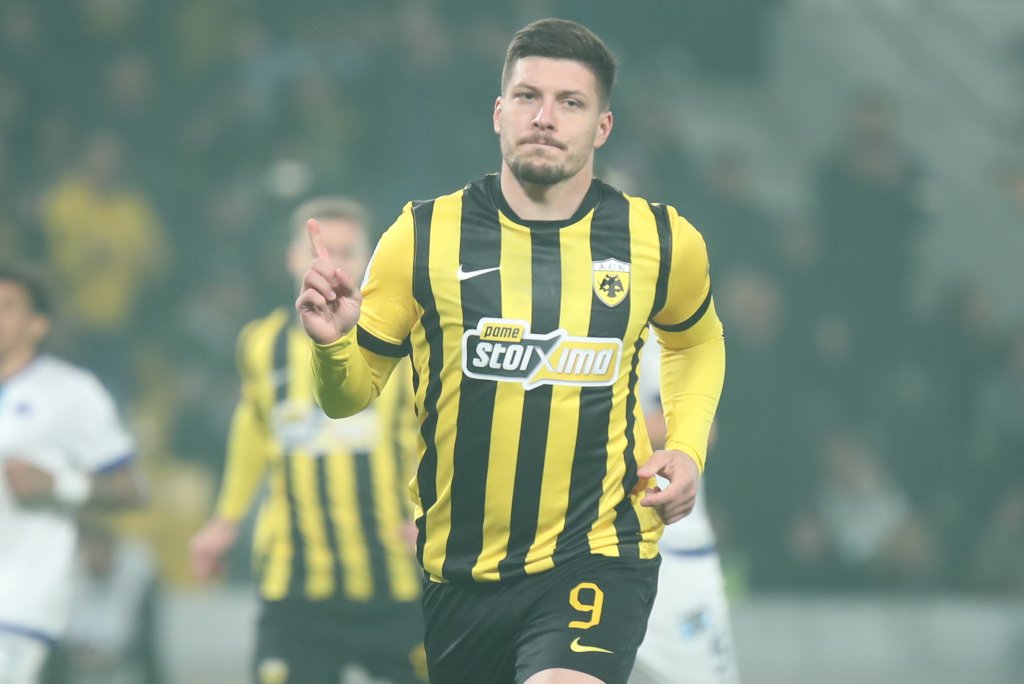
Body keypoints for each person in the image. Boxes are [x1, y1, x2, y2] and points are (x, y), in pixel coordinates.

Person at [297, 19, 726, 684]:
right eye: (528, 97)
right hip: (461, 572)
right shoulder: (421, 237)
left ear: (602, 128)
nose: (544, 118)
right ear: (499, 114)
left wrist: (688, 446)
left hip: (599, 552)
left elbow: (694, 339)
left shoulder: (660, 240)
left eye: (570, 102)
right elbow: (346, 396)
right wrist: (331, 346)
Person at [189, 197, 426, 684]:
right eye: (317, 250)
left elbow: (436, 429)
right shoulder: (261, 344)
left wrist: (434, 512)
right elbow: (254, 429)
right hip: (295, 583)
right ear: (291, 258)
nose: (331, 263)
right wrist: (225, 520)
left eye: (346, 250)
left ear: (369, 260)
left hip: (396, 577)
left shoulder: (404, 340)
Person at [0, 263, 146, 684]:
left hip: (18, 603)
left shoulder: (70, 392)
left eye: (7, 306)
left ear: (38, 324)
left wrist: (59, 484)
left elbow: (133, 489)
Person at [629, 343, 739, 684]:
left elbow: (704, 427)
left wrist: (585, 420)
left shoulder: (660, 327)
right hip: (583, 545)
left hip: (673, 560)